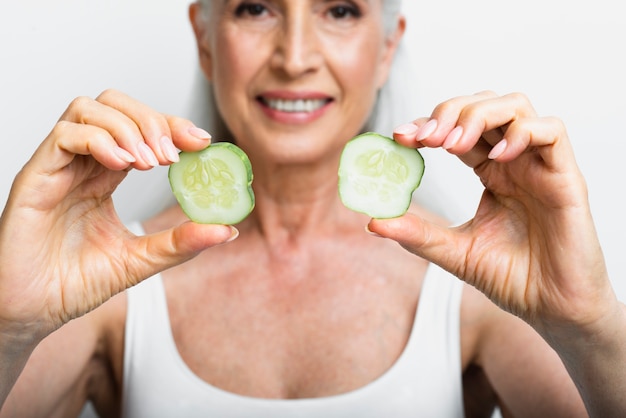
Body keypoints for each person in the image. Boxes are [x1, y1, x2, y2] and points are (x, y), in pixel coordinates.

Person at [1, 0, 625, 417]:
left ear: (386, 49)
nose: (295, 56)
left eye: (340, 9)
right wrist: (7, 324)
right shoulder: (104, 283)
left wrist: (588, 323)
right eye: (255, 6)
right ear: (204, 37)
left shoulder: (476, 291)